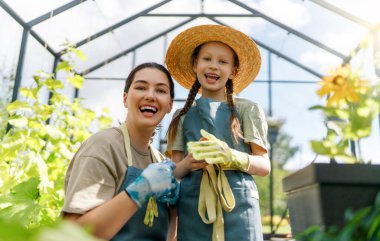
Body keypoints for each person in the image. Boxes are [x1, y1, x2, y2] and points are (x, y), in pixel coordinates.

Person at [165, 25, 271, 241]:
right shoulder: (182, 115)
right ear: (196, 65)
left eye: (223, 62)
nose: (213, 66)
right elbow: (173, 174)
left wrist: (232, 157)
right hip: (194, 207)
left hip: (239, 206)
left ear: (233, 71)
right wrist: (189, 163)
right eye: (207, 59)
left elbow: (264, 166)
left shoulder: (247, 109)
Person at [62, 62, 179, 241]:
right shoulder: (103, 147)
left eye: (161, 91)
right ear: (125, 98)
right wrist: (143, 187)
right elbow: (74, 234)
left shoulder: (160, 162)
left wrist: (175, 210)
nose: (150, 95)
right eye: (141, 87)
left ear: (170, 105)